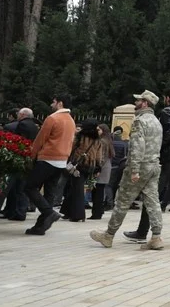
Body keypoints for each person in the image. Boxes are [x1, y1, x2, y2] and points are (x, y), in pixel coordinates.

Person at [125, 87, 170, 247]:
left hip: (168, 159)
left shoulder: (166, 112)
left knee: (151, 194)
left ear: (167, 99)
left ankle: (142, 232)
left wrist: (160, 145)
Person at [91, 90, 164, 250]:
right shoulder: (157, 122)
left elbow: (138, 146)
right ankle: (157, 237)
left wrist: (135, 170)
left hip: (140, 166)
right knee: (153, 202)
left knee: (123, 201)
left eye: (138, 101)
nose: (136, 104)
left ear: (145, 103)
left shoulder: (139, 121)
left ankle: (108, 235)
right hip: (154, 165)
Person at [25, 93, 77, 235]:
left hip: (48, 158)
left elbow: (40, 139)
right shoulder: (71, 121)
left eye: (53, 102)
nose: (51, 105)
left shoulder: (53, 118)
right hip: (61, 161)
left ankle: (49, 213)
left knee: (29, 187)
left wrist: (32, 155)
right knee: (49, 193)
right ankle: (41, 226)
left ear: (60, 103)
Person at [60, 119, 105, 222]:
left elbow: (71, 148)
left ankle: (78, 215)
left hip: (78, 165)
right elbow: (99, 154)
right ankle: (67, 211)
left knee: (77, 189)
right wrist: (98, 167)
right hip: (90, 165)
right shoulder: (97, 139)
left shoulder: (80, 136)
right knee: (74, 187)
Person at [89, 124, 114, 220]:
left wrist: (98, 168)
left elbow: (101, 156)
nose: (97, 132)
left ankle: (96, 213)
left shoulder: (102, 141)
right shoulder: (108, 140)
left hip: (102, 167)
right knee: (99, 190)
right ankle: (99, 211)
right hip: (106, 166)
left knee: (97, 191)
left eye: (98, 130)